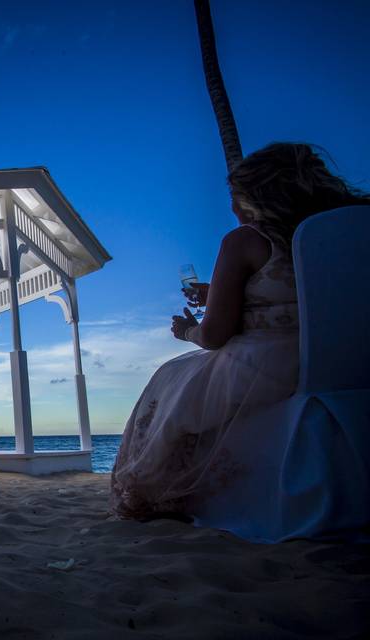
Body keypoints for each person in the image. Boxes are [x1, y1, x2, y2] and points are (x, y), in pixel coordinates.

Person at [110, 142, 370, 521]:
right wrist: (226, 291)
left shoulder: (247, 240)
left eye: (235, 197)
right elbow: (313, 295)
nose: (233, 208)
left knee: (172, 377)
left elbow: (215, 335)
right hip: (351, 358)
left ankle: (155, 497)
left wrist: (187, 330)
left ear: (255, 196)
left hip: (273, 366)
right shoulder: (352, 231)